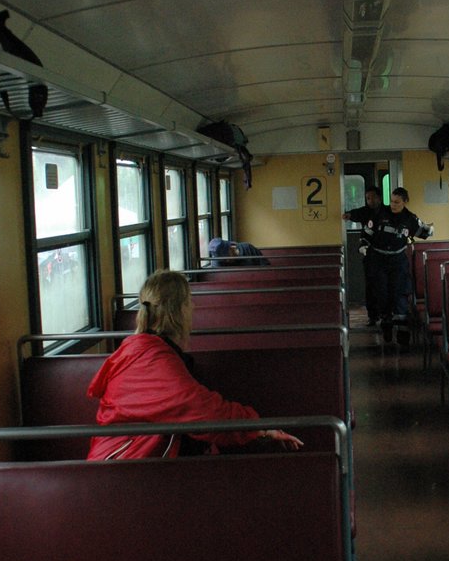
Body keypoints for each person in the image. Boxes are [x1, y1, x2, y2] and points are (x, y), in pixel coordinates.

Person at [87, 269, 302, 460]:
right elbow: (201, 410)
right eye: (189, 301)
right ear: (179, 311)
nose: (193, 306)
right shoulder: (152, 360)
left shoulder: (142, 350)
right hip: (125, 466)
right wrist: (258, 428)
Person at [363, 187, 432, 346]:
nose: (393, 205)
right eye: (392, 201)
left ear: (405, 202)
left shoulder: (410, 219)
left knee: (400, 294)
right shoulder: (380, 214)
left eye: (397, 202)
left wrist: (430, 229)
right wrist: (363, 246)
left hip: (398, 260)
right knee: (383, 294)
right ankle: (386, 325)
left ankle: (402, 332)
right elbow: (366, 234)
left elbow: (424, 232)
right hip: (379, 260)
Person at [342, 187, 383, 326]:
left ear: (379, 198)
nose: (370, 201)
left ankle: (386, 314)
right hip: (370, 255)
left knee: (384, 285)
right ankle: (373, 316)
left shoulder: (387, 212)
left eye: (372, 197)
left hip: (385, 256)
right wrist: (347, 215)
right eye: (367, 198)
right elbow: (352, 214)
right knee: (370, 286)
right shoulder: (364, 212)